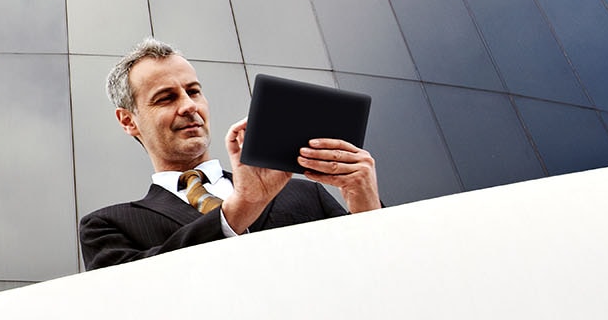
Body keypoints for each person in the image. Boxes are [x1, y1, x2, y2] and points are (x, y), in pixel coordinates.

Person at [78, 38, 381, 270]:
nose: (189, 106)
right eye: (166, 98)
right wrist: (240, 209)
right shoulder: (108, 226)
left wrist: (365, 203)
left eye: (193, 91)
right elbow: (132, 296)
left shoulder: (306, 194)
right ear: (128, 120)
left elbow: (376, 271)